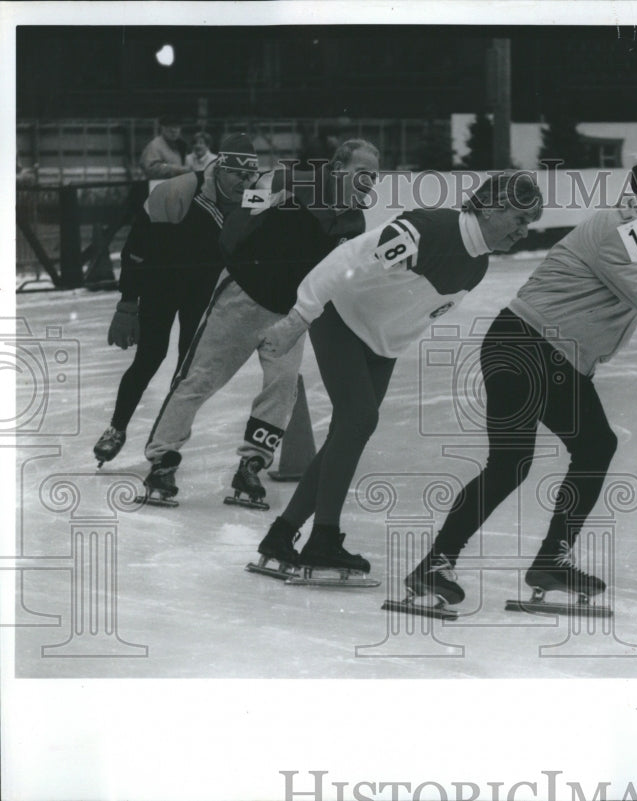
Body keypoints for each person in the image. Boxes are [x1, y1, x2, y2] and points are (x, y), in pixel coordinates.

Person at [399, 141, 637, 614]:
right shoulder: (624, 228)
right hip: (527, 345)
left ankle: (546, 562)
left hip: (550, 353)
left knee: (588, 446)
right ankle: (438, 563)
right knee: (515, 461)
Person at [252, 171, 544, 581]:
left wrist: (387, 348)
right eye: (520, 219)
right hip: (340, 319)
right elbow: (347, 259)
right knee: (358, 421)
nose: (525, 231)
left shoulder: (477, 264)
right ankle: (323, 539)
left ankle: (281, 536)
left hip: (380, 346)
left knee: (348, 432)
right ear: (494, 208)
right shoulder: (429, 230)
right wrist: (299, 316)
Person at [141, 139, 380, 507]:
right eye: (361, 172)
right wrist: (261, 205)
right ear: (336, 169)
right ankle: (162, 459)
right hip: (242, 297)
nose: (369, 181)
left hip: (290, 315)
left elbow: (337, 275)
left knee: (282, 390)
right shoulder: (300, 183)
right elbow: (248, 205)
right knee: (200, 378)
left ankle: (251, 464)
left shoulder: (353, 220)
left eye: (373, 175)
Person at [93, 134, 260, 467]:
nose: (245, 182)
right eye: (238, 174)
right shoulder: (178, 191)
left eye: (250, 176)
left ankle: (164, 439)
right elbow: (136, 250)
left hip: (203, 292)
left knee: (188, 369)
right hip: (160, 285)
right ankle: (117, 427)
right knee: (149, 358)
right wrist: (128, 303)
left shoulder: (254, 201)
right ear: (221, 168)